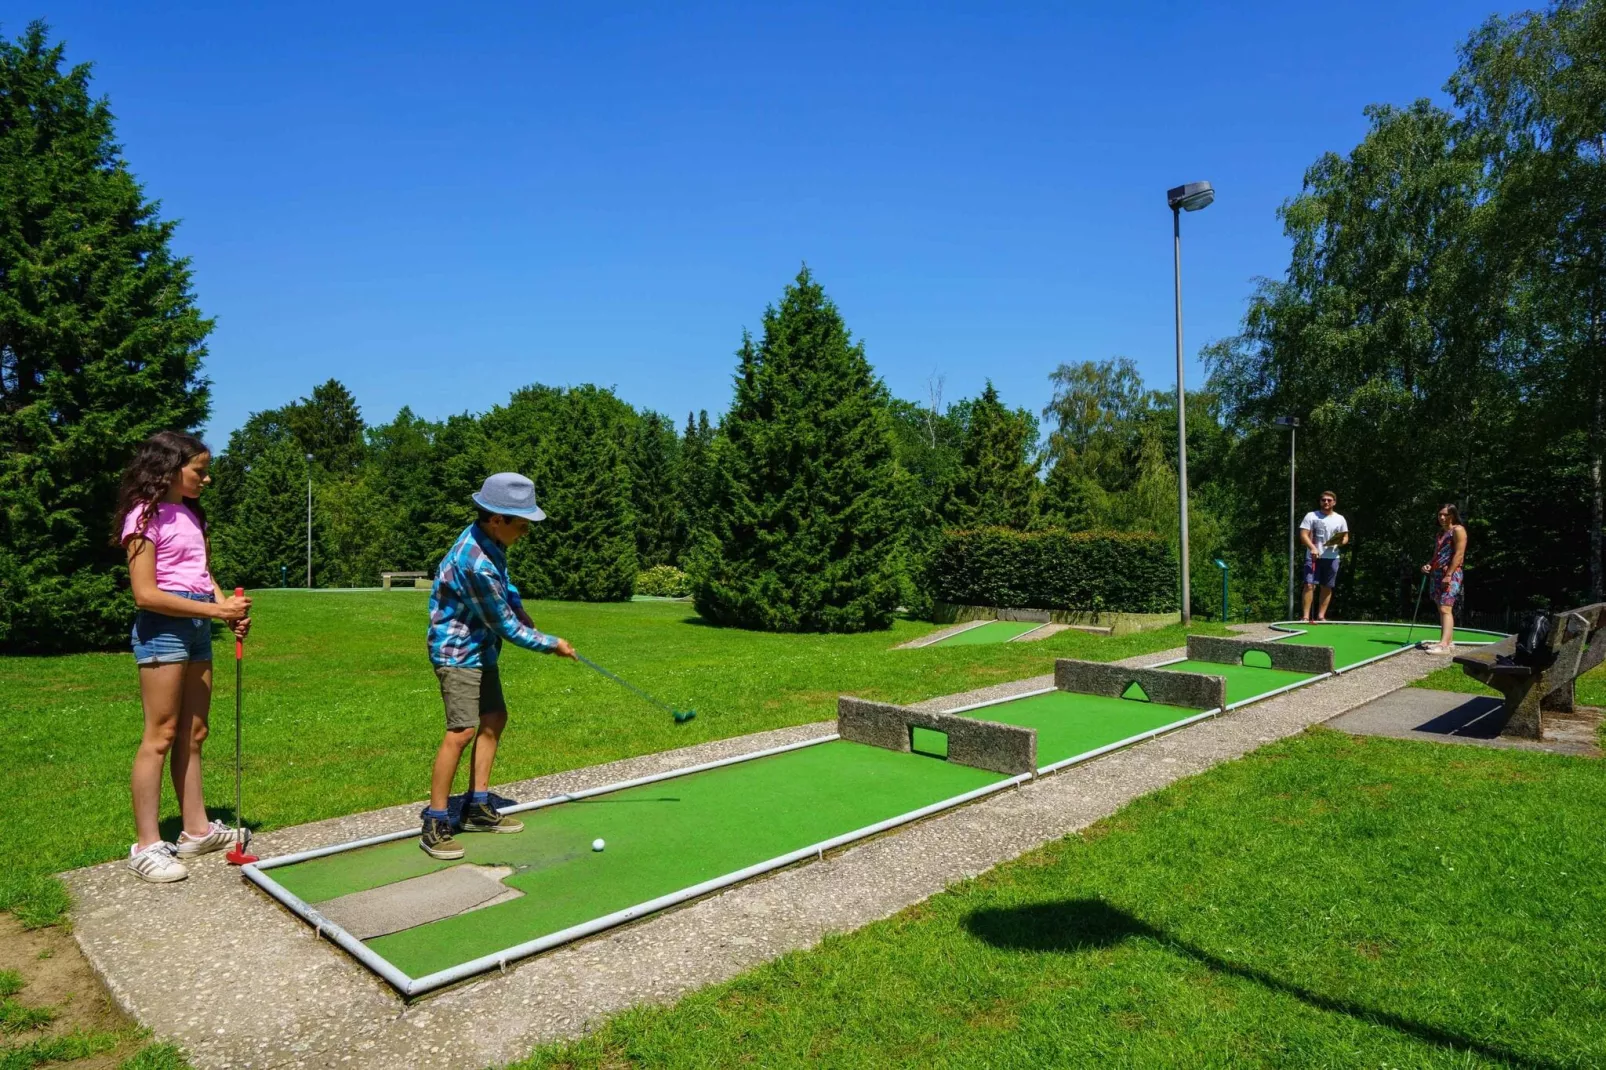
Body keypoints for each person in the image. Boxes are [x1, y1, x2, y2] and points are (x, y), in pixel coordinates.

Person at [114, 431, 252, 883]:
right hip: (163, 629)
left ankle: (195, 830)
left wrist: (225, 611)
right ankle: (147, 845)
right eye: (199, 470)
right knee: (162, 732)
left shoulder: (190, 513)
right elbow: (145, 593)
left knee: (194, 731)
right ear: (170, 468)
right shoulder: (143, 515)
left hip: (194, 626)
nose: (206, 479)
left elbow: (200, 572)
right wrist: (216, 609)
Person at [420, 472, 577, 859]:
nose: (525, 531)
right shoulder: (473, 562)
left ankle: (477, 808)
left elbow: (506, 587)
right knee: (461, 730)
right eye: (521, 524)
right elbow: (505, 626)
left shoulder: (490, 542)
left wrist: (521, 607)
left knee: (495, 717)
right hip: (457, 652)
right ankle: (435, 822)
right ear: (497, 519)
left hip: (481, 646)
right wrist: (551, 644)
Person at [1419, 503, 1468, 654]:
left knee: (1446, 607)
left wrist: (1449, 575)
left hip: (1451, 573)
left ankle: (1444, 646)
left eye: (1445, 515)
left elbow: (1459, 554)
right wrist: (1429, 565)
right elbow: (1437, 555)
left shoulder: (1458, 530)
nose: (1441, 517)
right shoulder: (1440, 533)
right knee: (1441, 608)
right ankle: (1447, 641)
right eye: (1440, 514)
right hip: (1437, 573)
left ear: (1452, 515)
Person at [1299, 491, 1350, 623]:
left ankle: (1321, 616)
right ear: (1320, 501)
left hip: (1332, 556)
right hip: (1313, 556)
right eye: (1323, 500)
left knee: (1327, 586)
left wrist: (1341, 542)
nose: (1326, 502)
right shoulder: (1311, 516)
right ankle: (1305, 617)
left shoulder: (1340, 519)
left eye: (1329, 500)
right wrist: (1313, 548)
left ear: (1334, 502)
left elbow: (1345, 537)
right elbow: (1303, 535)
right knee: (1309, 585)